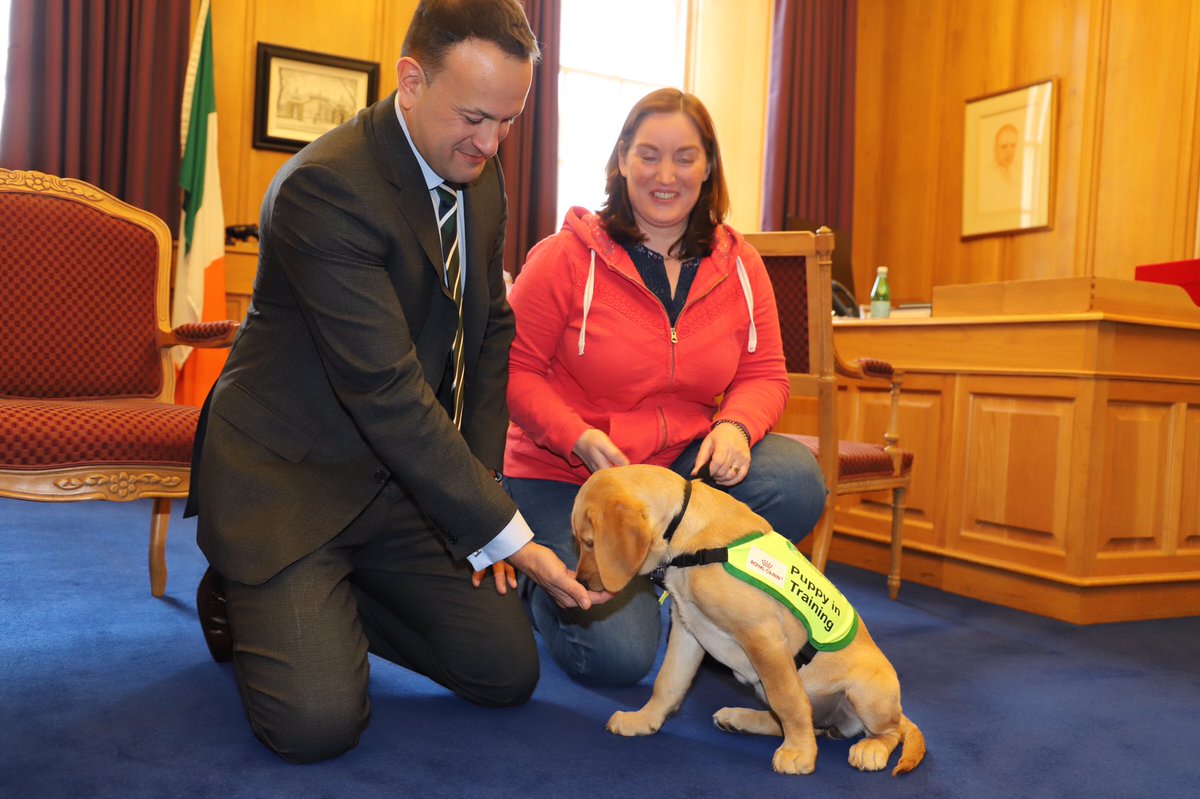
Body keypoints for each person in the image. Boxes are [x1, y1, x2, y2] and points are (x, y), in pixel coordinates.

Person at [185, 0, 606, 764]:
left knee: (505, 670)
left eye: (509, 121)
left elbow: (490, 329)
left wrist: (476, 490)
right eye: (476, 116)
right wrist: (508, 532)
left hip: (399, 483)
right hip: (293, 480)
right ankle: (246, 587)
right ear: (411, 80)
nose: (491, 142)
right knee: (317, 728)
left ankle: (328, 602)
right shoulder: (326, 189)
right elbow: (387, 395)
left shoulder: (476, 173)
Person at [503, 88, 827, 686]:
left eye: (685, 157)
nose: (665, 174)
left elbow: (764, 374)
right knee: (617, 662)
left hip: (674, 470)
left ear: (708, 168)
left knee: (793, 479)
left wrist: (735, 425)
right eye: (648, 154)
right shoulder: (563, 259)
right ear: (622, 158)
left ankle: (685, 586)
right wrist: (573, 435)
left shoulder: (742, 266)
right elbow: (512, 370)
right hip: (565, 474)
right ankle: (536, 583)